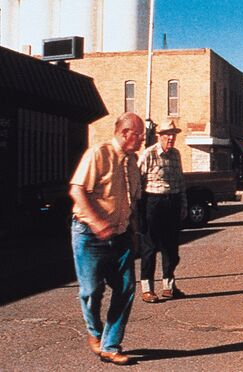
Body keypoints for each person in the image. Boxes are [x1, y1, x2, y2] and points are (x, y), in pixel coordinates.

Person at [68, 112, 144, 365]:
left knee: (126, 288)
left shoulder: (133, 162)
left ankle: (110, 345)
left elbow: (133, 202)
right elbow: (77, 191)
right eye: (139, 134)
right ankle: (94, 332)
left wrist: (134, 233)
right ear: (124, 133)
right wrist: (97, 222)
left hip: (120, 236)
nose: (143, 139)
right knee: (92, 291)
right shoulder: (98, 154)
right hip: (89, 235)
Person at [138, 120, 188, 303]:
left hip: (172, 202)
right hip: (152, 202)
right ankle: (147, 289)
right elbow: (137, 180)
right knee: (150, 247)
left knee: (171, 248)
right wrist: (136, 208)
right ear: (160, 136)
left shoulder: (176, 155)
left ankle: (169, 286)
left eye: (173, 135)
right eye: (167, 134)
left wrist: (183, 205)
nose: (171, 138)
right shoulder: (149, 154)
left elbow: (181, 181)